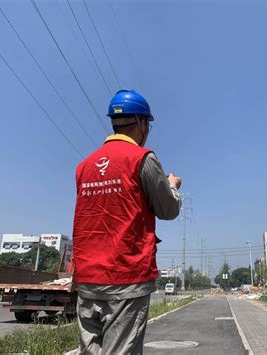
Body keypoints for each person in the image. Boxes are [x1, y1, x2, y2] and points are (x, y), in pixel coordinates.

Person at [72, 89, 182, 354]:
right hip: (126, 275)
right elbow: (167, 210)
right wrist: (173, 187)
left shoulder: (84, 166)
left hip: (87, 278)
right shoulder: (142, 159)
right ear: (143, 123)